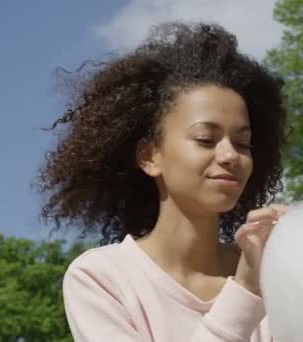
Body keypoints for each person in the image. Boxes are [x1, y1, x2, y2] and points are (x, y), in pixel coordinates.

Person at [39, 22, 287, 341]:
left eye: (242, 144)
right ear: (150, 156)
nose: (230, 155)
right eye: (205, 139)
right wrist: (245, 292)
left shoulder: (272, 273)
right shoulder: (101, 279)